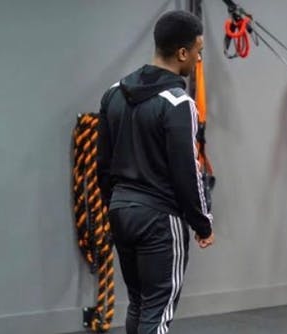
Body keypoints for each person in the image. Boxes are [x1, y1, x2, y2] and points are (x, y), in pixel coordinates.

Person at [97, 10, 214, 334]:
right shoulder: (178, 103)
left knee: (140, 304)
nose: (199, 58)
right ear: (182, 52)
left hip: (122, 212)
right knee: (157, 311)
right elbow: (187, 171)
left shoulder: (113, 93)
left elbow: (102, 166)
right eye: (198, 51)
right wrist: (202, 223)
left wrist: (116, 206)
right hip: (159, 219)